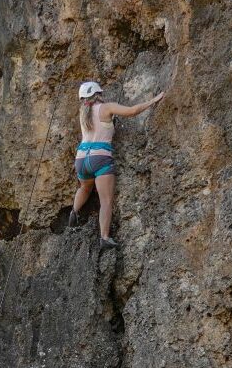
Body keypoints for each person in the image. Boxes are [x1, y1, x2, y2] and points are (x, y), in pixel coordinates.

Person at [67, 79, 166, 249]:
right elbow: (133, 110)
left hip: (81, 159)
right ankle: (104, 237)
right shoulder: (106, 107)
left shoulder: (83, 112)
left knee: (84, 187)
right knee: (106, 200)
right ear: (98, 95)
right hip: (100, 158)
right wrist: (153, 100)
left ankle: (74, 213)